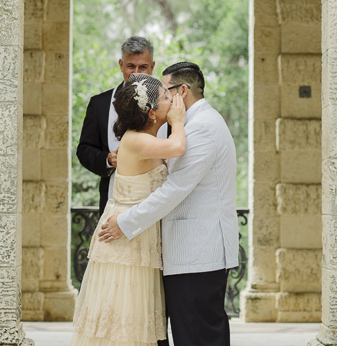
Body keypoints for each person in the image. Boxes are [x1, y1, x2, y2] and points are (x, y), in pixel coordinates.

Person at [99, 62, 239, 346]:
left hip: (197, 252)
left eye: (166, 91)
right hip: (190, 253)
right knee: (193, 334)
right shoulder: (191, 125)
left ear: (182, 91)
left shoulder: (202, 127)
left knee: (199, 336)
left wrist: (126, 223)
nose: (160, 96)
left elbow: (176, 188)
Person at [72, 74, 187, 346]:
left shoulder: (143, 137)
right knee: (125, 318)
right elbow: (178, 147)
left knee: (138, 318)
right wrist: (179, 121)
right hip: (127, 237)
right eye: (165, 97)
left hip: (138, 232)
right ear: (151, 113)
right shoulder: (134, 140)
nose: (172, 98)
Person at [76, 36, 166, 214]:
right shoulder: (99, 104)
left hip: (159, 200)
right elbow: (84, 150)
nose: (136, 73)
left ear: (153, 66)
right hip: (114, 198)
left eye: (143, 67)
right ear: (121, 64)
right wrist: (107, 159)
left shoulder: (166, 103)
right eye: (131, 66)